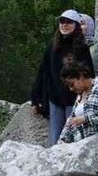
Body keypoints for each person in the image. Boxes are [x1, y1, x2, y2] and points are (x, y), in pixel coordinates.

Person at [31, 9, 93, 146]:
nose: (64, 25)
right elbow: (43, 72)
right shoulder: (53, 47)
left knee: (75, 137)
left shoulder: (82, 48)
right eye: (62, 21)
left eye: (69, 22)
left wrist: (86, 97)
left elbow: (89, 75)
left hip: (75, 98)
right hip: (55, 97)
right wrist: (36, 99)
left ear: (76, 25)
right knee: (55, 138)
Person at [57, 59, 98, 143]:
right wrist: (61, 141)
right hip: (84, 146)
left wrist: (85, 118)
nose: (71, 89)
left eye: (72, 84)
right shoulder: (79, 97)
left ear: (80, 76)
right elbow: (70, 123)